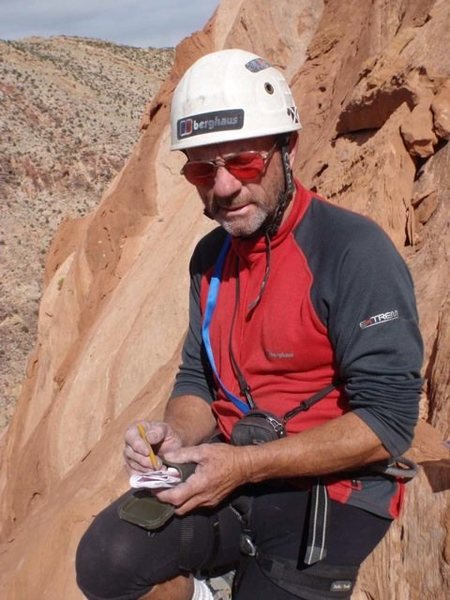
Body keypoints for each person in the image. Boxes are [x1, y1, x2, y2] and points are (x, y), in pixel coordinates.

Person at [76, 49, 423, 600]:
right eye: (201, 169)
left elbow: (387, 424)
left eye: (243, 162)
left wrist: (244, 466)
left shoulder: (353, 252)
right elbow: (198, 378)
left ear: (288, 148)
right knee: (105, 559)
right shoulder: (210, 258)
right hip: (235, 466)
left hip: (331, 488)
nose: (224, 187)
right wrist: (177, 435)